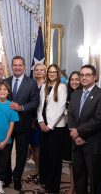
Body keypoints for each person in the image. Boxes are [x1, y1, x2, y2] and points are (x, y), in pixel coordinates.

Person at [67, 64, 101, 194]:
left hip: (93, 144)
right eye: (81, 75)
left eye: (87, 75)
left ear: (95, 77)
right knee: (79, 177)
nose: (84, 77)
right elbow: (70, 115)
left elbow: (99, 119)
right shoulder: (75, 94)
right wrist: (74, 132)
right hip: (77, 144)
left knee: (95, 180)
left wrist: (79, 132)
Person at [5, 56, 39, 190]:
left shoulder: (31, 83)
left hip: (23, 124)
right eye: (15, 65)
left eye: (20, 65)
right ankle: (6, 177)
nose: (17, 67)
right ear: (11, 66)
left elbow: (35, 102)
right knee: (6, 152)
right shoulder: (6, 81)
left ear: (24, 66)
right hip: (7, 125)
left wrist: (21, 107)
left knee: (22, 154)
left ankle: (17, 177)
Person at [37, 64, 68, 193]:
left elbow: (61, 108)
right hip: (43, 126)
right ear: (47, 73)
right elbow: (40, 106)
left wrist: (50, 126)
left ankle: (53, 186)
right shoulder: (44, 86)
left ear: (58, 73)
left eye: (54, 72)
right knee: (45, 156)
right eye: (50, 72)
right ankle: (45, 181)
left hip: (56, 128)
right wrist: (40, 121)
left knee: (55, 157)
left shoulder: (62, 87)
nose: (52, 74)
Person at [27, 63, 46, 182]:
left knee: (41, 148)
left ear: (45, 71)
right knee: (33, 148)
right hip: (31, 120)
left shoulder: (48, 85)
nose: (38, 72)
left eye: (41, 70)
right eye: (36, 70)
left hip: (43, 121)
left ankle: (42, 172)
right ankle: (37, 170)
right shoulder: (31, 84)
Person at [64, 71, 81, 194]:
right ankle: (72, 186)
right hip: (68, 131)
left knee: (81, 162)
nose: (74, 81)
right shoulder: (67, 95)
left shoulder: (84, 94)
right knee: (71, 162)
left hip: (82, 132)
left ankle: (80, 186)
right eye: (72, 79)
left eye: (77, 79)